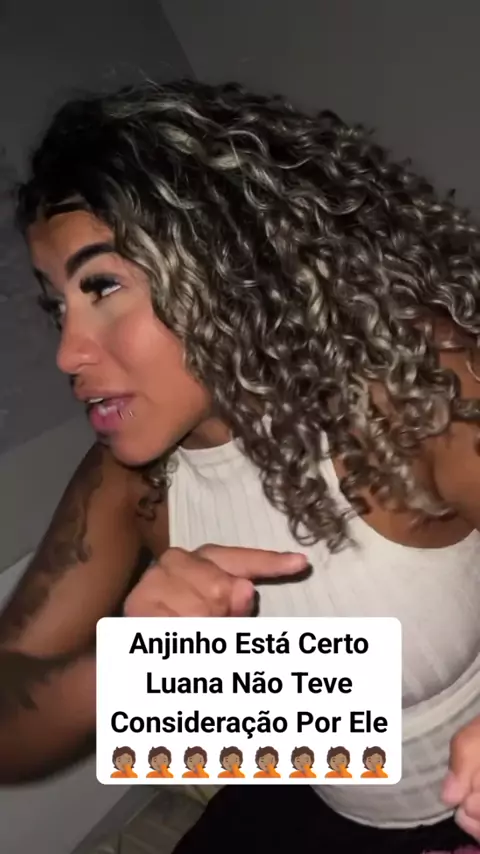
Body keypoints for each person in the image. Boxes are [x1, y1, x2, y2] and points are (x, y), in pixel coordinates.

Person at [1, 77, 480, 852]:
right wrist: (138, 672)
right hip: (320, 787)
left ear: (223, 260)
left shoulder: (408, 383)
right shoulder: (132, 482)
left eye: (103, 286)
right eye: (59, 307)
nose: (68, 352)